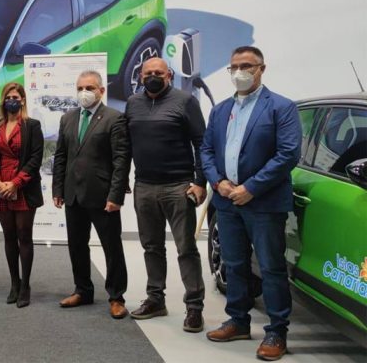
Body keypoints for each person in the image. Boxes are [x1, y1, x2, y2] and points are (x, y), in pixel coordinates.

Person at [201, 47, 301, 361]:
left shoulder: (281, 107)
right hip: (227, 201)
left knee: (270, 268)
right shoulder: (221, 110)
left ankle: (277, 331)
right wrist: (218, 182)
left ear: (261, 69)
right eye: (234, 67)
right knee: (234, 264)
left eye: (246, 66)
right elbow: (206, 150)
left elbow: (288, 154)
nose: (239, 72)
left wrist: (251, 188)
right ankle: (238, 321)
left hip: (264, 203)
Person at [125, 57, 207, 332]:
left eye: (159, 72)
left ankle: (194, 307)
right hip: (144, 186)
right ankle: (155, 299)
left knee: (186, 248)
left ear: (169, 75)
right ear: (141, 75)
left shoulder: (185, 101)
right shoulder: (133, 103)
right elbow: (126, 144)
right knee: (151, 247)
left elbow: (201, 143)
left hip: (178, 186)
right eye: (148, 72)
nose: (153, 76)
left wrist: (200, 182)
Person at [52, 70, 131, 319]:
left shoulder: (114, 118)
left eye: (89, 88)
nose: (84, 92)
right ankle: (83, 290)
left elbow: (121, 160)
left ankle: (116, 297)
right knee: (76, 246)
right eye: (80, 88)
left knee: (112, 247)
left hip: (103, 196)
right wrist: (58, 189)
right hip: (73, 195)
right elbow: (61, 156)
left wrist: (116, 196)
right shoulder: (67, 118)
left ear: (101, 91)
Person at [0, 82, 44, 308]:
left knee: (24, 235)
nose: (12, 101)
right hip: (1, 187)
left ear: (23, 100)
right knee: (9, 236)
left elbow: (35, 158)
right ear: (3, 100)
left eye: (16, 97)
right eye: (8, 97)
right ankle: (14, 283)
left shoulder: (32, 125)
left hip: (23, 187)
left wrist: (16, 183)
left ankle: (26, 285)